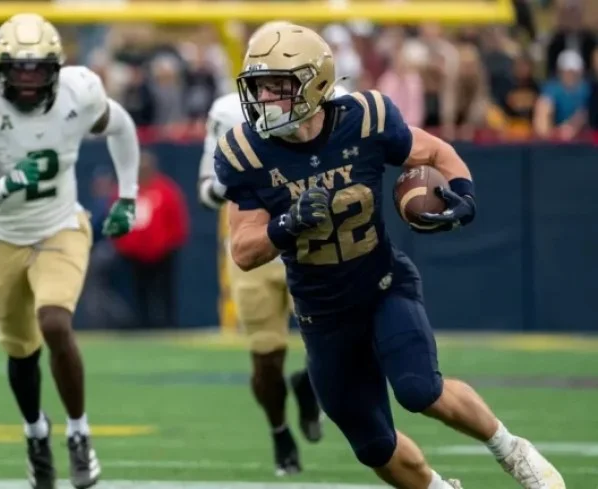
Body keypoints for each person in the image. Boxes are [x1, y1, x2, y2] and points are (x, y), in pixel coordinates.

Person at [214, 23, 566, 489]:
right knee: (373, 445)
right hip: (322, 313)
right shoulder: (246, 152)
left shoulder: (366, 117)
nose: (266, 99)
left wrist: (462, 192)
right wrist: (288, 222)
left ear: (315, 83)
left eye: (280, 86)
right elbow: (243, 251)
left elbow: (436, 151)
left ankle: (510, 449)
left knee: (420, 389)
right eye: (260, 87)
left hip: (381, 285)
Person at [0, 13, 140, 489]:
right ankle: (36, 432)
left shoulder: (81, 92)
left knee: (55, 321)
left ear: (57, 68)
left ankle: (79, 433)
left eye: (38, 69)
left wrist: (129, 194)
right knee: (20, 354)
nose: (29, 80)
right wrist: (8, 184)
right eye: (19, 69)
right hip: (4, 237)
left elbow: (121, 126)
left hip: (61, 226)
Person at [197, 20, 328, 477]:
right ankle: (279, 431)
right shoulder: (229, 112)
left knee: (334, 339)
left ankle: (312, 388)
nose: (268, 85)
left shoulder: (327, 102)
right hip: (255, 244)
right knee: (266, 356)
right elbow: (207, 189)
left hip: (312, 239)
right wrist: (238, 182)